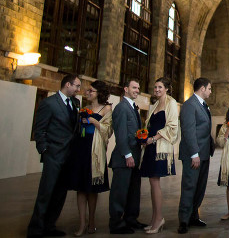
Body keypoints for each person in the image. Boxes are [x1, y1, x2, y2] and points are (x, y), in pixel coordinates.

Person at [27, 74, 81, 238]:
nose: (79, 89)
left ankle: (50, 225)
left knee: (60, 193)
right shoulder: (49, 103)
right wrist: (44, 150)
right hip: (53, 154)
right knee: (46, 192)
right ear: (67, 85)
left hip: (69, 155)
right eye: (77, 86)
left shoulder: (75, 103)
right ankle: (36, 229)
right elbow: (40, 129)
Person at [67, 80, 113, 237]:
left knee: (92, 189)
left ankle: (92, 221)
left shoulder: (106, 108)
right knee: (80, 188)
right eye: (87, 90)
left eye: (91, 91)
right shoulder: (84, 108)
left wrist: (93, 121)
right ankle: (81, 223)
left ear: (99, 93)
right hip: (81, 147)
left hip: (95, 150)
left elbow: (108, 130)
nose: (87, 93)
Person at [140, 77, 179, 234]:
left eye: (160, 87)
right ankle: (154, 218)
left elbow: (172, 127)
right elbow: (149, 125)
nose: (156, 90)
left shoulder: (171, 103)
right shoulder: (155, 104)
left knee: (155, 181)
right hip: (150, 146)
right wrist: (144, 138)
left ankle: (159, 219)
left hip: (159, 147)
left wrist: (153, 138)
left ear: (167, 89)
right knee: (152, 181)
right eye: (155, 87)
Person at [108, 79, 146, 234]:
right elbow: (121, 134)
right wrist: (128, 155)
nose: (137, 90)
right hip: (125, 158)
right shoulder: (122, 108)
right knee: (120, 192)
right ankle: (116, 223)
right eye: (134, 87)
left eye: (138, 88)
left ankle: (131, 219)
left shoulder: (132, 107)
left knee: (132, 191)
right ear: (125, 89)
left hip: (135, 157)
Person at [177, 77, 215, 233]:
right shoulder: (189, 105)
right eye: (210, 89)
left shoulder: (203, 105)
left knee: (200, 187)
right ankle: (184, 221)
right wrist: (194, 154)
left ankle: (193, 215)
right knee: (189, 186)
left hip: (204, 153)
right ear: (202, 88)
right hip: (194, 154)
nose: (211, 91)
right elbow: (188, 131)